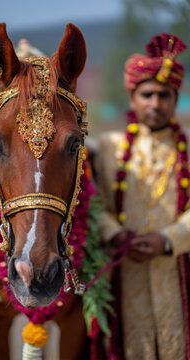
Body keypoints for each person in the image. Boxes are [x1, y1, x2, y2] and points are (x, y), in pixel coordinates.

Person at [98, 33, 190, 360]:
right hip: (124, 267)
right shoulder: (107, 148)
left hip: (178, 266)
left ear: (175, 98)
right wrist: (115, 234)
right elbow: (93, 205)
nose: (155, 103)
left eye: (164, 95)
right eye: (146, 94)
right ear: (132, 97)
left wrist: (167, 240)